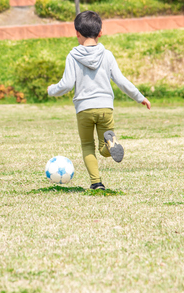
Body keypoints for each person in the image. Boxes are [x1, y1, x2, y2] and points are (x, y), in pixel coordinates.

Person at [48, 10, 151, 190]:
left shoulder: (73, 56)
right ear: (100, 32)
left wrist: (51, 90)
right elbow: (121, 81)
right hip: (105, 108)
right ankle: (111, 145)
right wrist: (139, 97)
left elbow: (66, 85)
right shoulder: (107, 55)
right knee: (104, 148)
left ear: (77, 33)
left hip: (84, 109)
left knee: (88, 145)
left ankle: (96, 183)